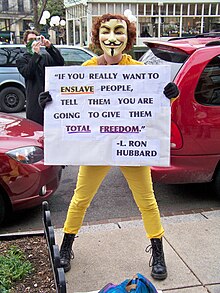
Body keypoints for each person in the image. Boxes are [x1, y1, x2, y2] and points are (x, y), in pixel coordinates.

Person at [39, 13, 179, 280]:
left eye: (119, 31)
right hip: (97, 146)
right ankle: (66, 248)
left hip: (131, 145)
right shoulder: (88, 69)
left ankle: (158, 252)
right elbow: (70, 103)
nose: (112, 37)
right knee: (81, 198)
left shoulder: (141, 71)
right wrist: (49, 101)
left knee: (147, 201)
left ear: (128, 39)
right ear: (97, 37)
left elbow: (156, 108)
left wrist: (170, 95)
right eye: (106, 31)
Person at [16, 30, 64, 125]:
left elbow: (60, 63)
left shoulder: (45, 57)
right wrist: (35, 55)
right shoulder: (21, 59)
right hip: (34, 101)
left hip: (48, 99)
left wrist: (49, 47)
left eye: (35, 39)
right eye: (30, 40)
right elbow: (28, 73)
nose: (33, 42)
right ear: (25, 42)